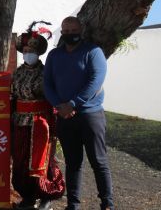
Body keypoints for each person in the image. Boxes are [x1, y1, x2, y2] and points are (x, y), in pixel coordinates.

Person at [43, 16, 114, 210]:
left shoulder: (93, 52)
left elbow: (95, 81)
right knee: (73, 163)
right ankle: (73, 204)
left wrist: (73, 103)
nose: (69, 34)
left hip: (91, 115)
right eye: (65, 31)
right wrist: (59, 105)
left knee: (98, 161)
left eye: (73, 31)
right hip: (65, 117)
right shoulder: (54, 55)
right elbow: (47, 83)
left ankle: (107, 204)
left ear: (80, 31)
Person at [11, 21, 65, 210]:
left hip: (41, 122)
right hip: (20, 122)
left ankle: (46, 195)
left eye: (32, 50)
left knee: (42, 159)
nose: (28, 53)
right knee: (20, 160)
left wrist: (54, 124)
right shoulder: (16, 73)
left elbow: (53, 99)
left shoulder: (46, 73)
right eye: (26, 49)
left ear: (39, 52)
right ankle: (27, 197)